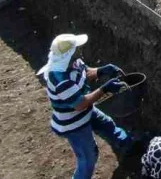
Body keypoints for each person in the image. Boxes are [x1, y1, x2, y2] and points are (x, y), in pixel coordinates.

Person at [38, 33, 133, 179]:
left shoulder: (72, 63)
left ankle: (127, 146)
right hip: (74, 124)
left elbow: (86, 72)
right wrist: (104, 89)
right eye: (76, 49)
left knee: (108, 124)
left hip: (86, 111)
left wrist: (102, 70)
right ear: (68, 54)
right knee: (88, 158)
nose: (79, 50)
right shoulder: (60, 79)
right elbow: (80, 104)